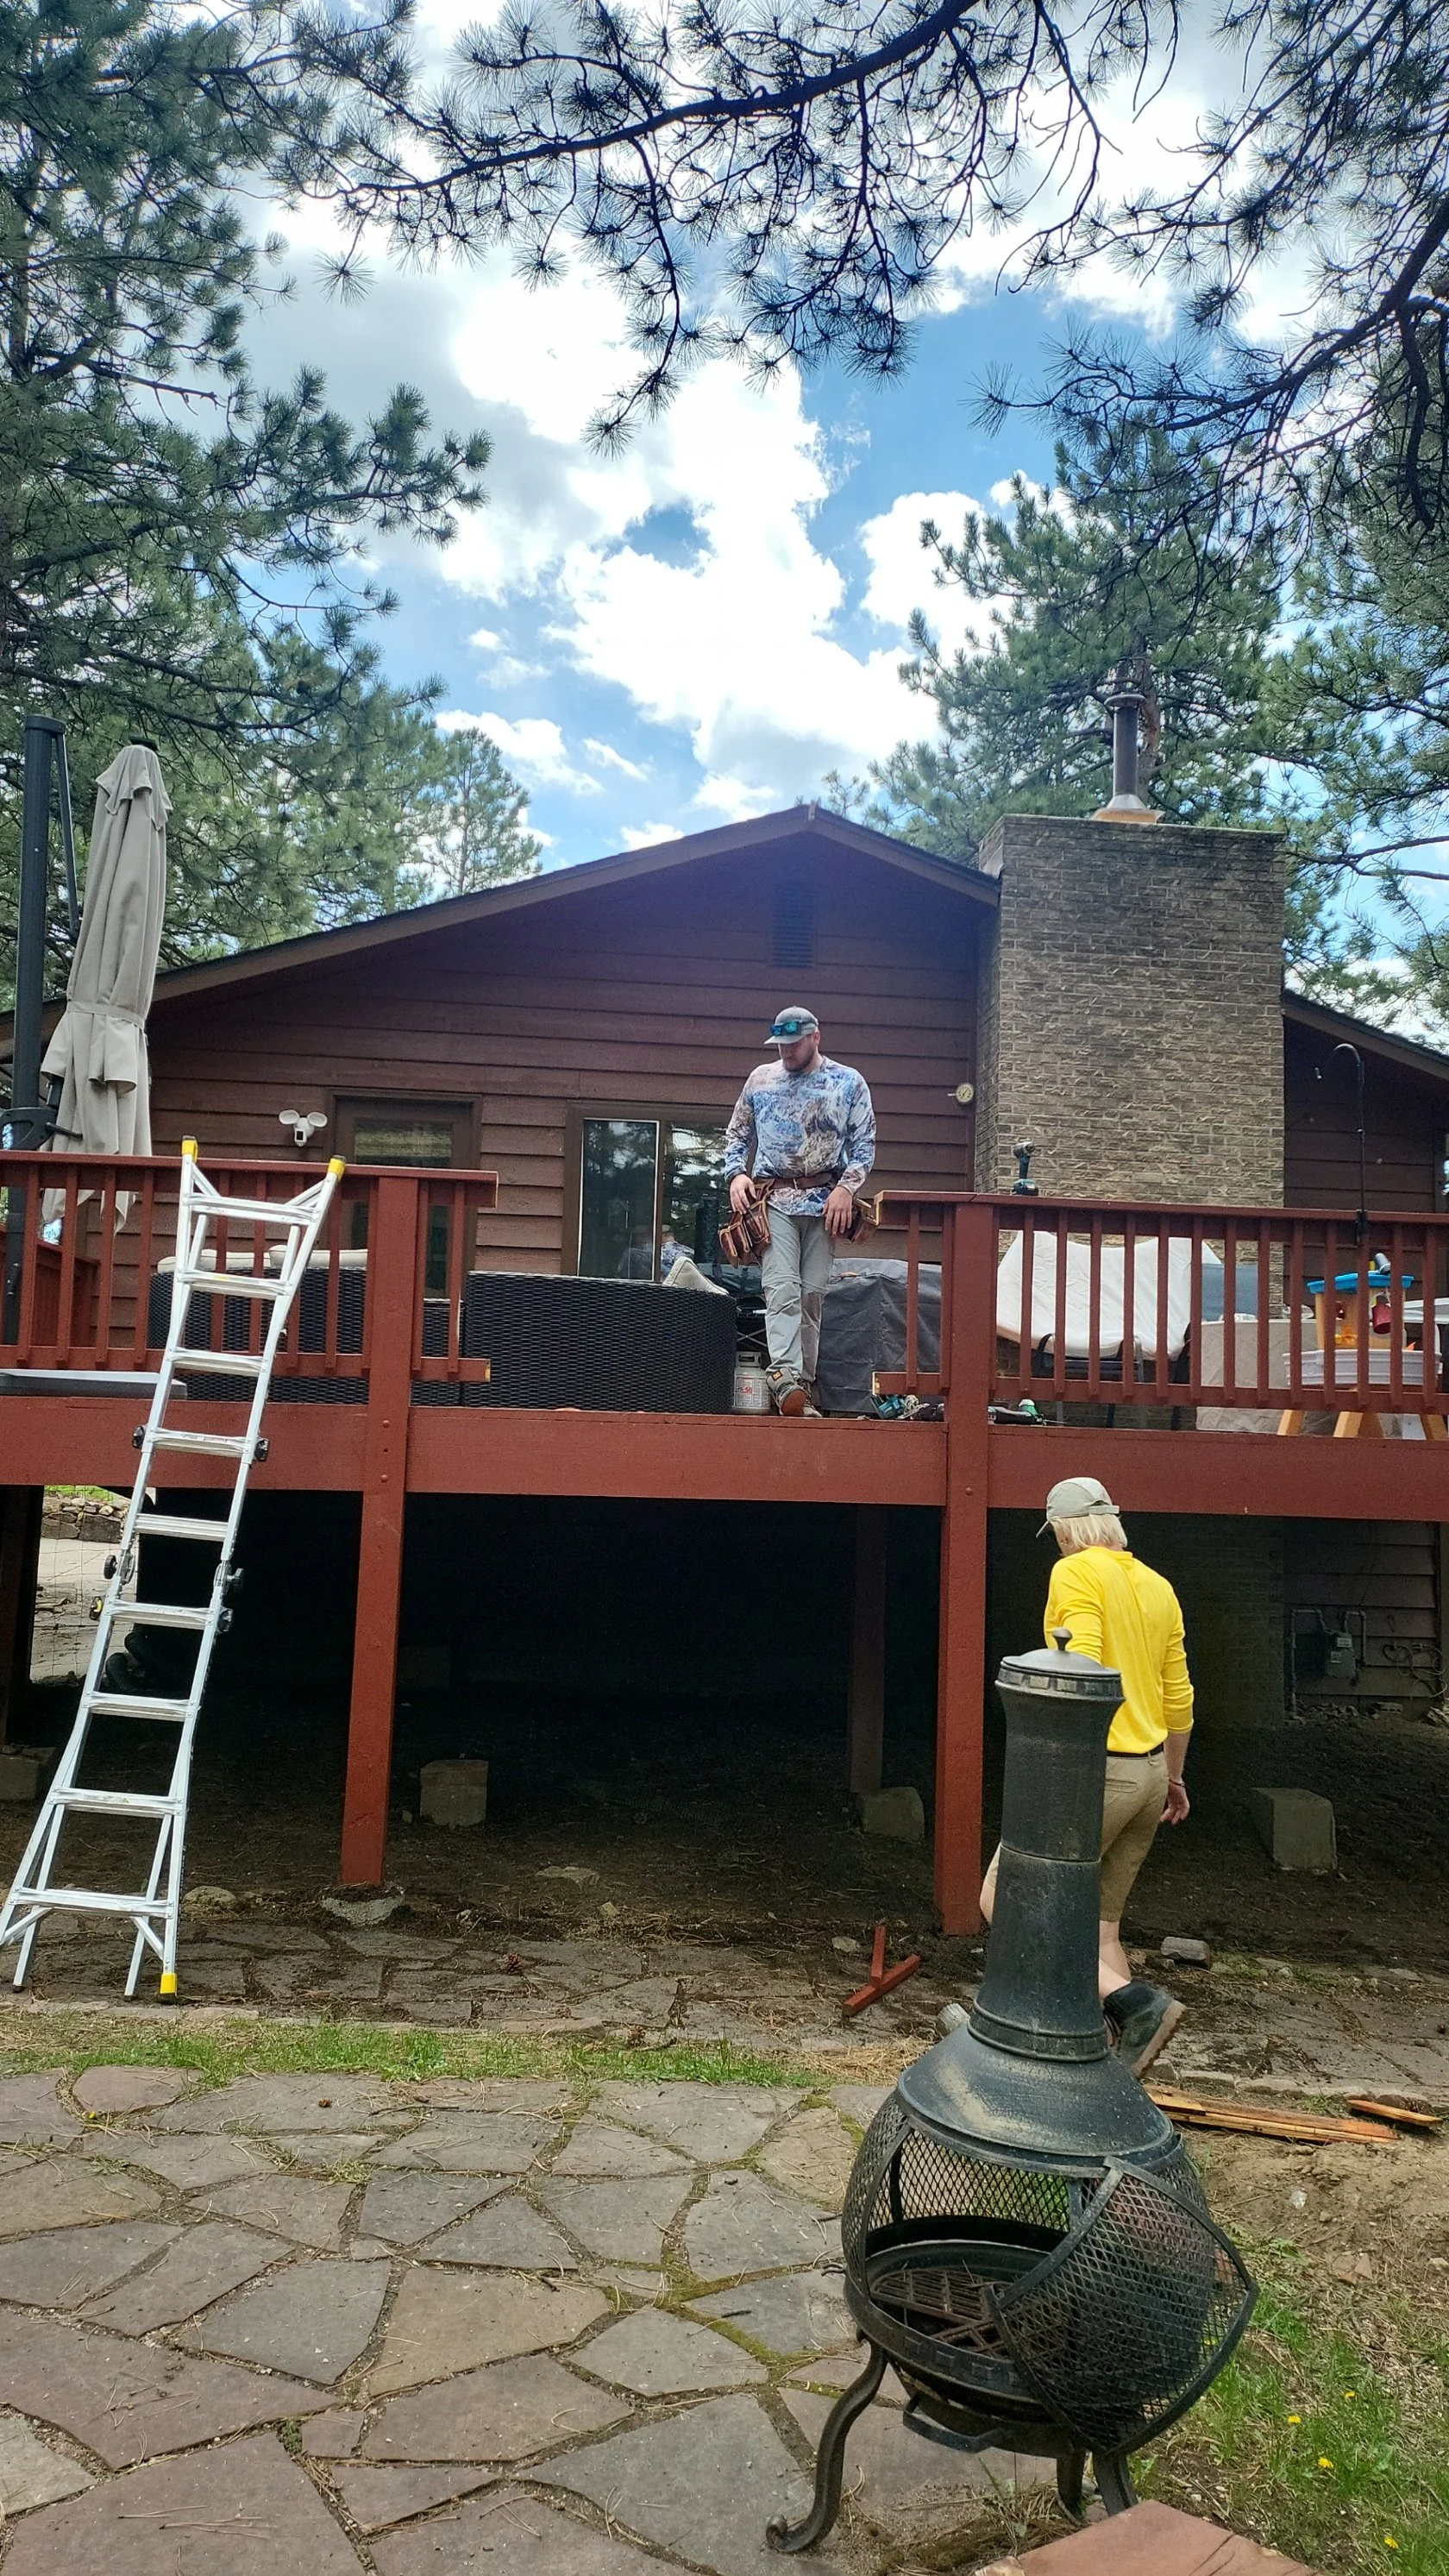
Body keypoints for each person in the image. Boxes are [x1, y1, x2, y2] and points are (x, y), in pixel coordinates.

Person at [973, 1473, 1195, 2076]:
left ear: (1066, 1530)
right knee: (1100, 1930)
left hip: (1097, 1771)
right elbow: (1179, 1697)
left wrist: (1059, 1769)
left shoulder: (1073, 1573)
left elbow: (1083, 1669)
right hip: (1150, 1776)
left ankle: (1137, 2002)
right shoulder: (1159, 1586)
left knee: (1001, 1896)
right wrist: (1173, 1778)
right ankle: (1111, 2075)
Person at [724, 1007, 875, 1415]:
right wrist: (737, 1175)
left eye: (793, 1044)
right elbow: (737, 1134)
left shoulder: (848, 1082)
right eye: (780, 1045)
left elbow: (865, 1145)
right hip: (774, 1200)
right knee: (782, 1287)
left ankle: (802, 1389)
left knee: (812, 1295)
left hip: (826, 1203)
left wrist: (847, 1188)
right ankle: (785, 1376)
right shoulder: (761, 1079)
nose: (786, 1052)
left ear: (815, 1038)